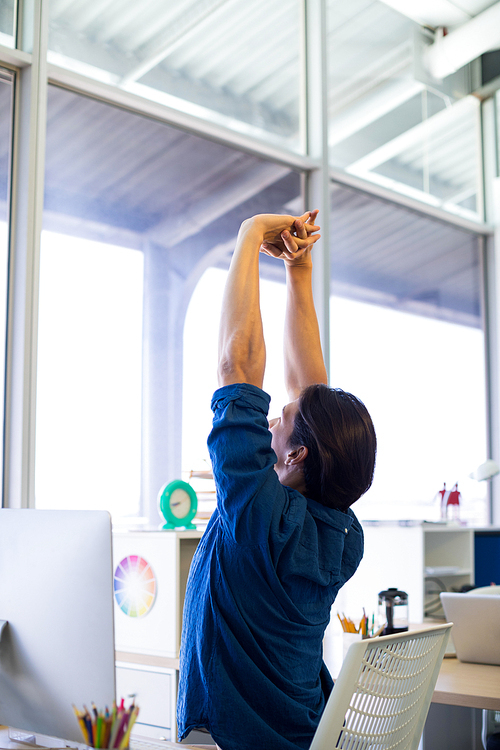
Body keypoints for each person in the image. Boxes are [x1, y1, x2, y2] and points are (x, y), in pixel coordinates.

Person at [177, 211, 377, 750]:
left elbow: (235, 362)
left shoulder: (258, 513)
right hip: (303, 731)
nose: (269, 419)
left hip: (227, 736)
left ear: (296, 455)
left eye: (278, 422)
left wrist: (249, 235)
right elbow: (312, 396)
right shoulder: (340, 531)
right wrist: (298, 272)